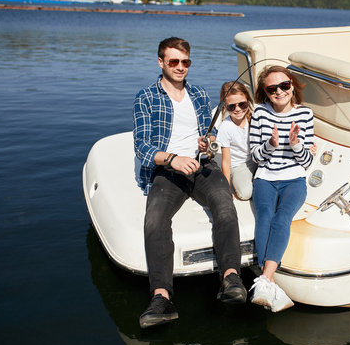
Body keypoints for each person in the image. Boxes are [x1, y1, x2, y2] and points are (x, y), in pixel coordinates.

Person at [133, 37, 247, 329]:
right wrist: (173, 160)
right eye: (174, 62)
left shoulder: (197, 92)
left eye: (185, 62)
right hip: (168, 171)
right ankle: (162, 298)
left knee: (224, 204)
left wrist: (206, 144)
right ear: (161, 63)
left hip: (201, 165)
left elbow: (207, 140)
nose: (180, 67)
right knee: (155, 220)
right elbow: (142, 148)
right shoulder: (146, 97)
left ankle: (230, 279)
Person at [248, 65, 314, 312]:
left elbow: (306, 162)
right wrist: (271, 144)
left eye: (284, 85)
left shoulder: (305, 114)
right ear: (265, 92)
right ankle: (269, 281)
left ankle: (265, 279)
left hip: (294, 179)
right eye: (272, 88)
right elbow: (257, 157)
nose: (279, 92)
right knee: (264, 217)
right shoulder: (259, 114)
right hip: (265, 177)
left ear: (292, 85)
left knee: (282, 218)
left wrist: (296, 144)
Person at [216, 81, 257, 200]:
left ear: (248, 101)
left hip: (257, 158)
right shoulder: (225, 127)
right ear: (225, 106)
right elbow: (226, 161)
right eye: (231, 106)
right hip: (238, 165)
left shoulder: (254, 117)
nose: (238, 109)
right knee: (245, 194)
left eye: (242, 104)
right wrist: (226, 187)